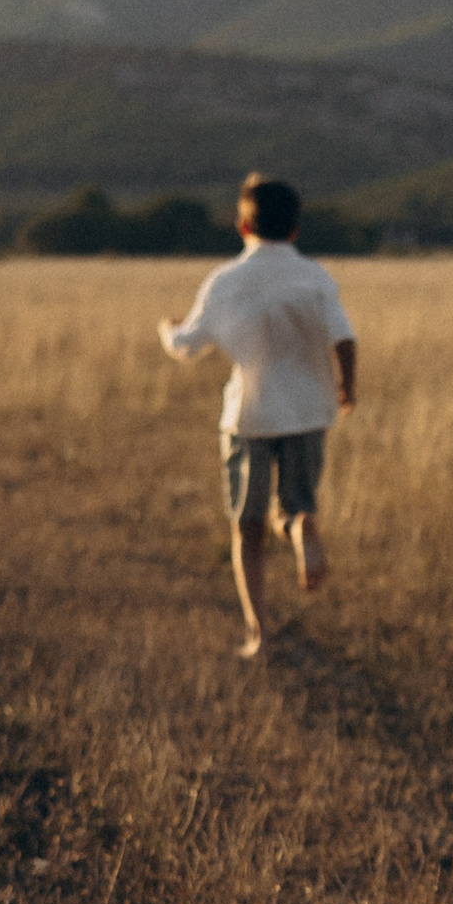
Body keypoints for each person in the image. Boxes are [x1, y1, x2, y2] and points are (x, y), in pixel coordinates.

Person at [158, 174, 357, 658]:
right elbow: (344, 338)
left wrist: (168, 329)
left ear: (241, 224)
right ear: (295, 230)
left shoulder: (226, 281)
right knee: (292, 505)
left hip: (248, 415)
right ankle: (298, 526)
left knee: (246, 525)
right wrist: (347, 385)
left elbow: (188, 348)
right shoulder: (314, 277)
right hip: (309, 411)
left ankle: (258, 631)